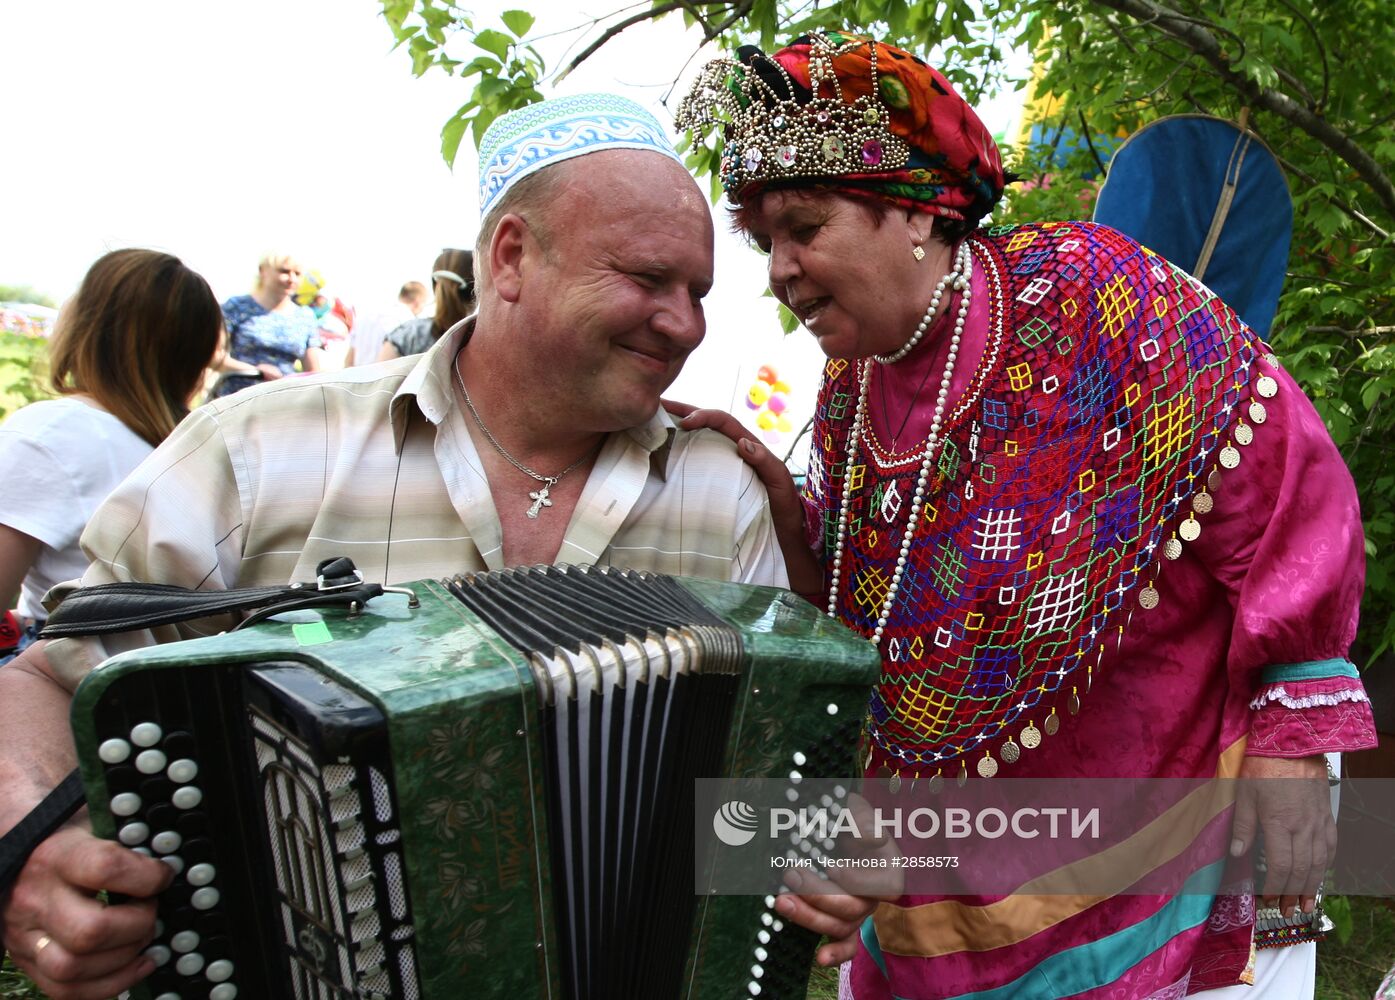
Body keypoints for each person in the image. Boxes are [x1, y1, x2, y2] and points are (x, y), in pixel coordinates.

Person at [0, 93, 791, 1000]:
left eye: (697, 293)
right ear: (511, 258)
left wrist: (809, 862)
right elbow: (42, 678)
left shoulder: (719, 489)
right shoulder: (260, 449)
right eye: (648, 279)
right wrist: (30, 845)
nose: (685, 324)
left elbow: (763, 789)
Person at [675, 32, 1377, 999]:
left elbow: (1287, 483)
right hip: (953, 868)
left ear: (913, 211)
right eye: (765, 242)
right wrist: (789, 517)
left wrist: (1295, 723)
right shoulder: (847, 395)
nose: (779, 271)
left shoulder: (1092, 295)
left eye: (803, 226)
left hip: (1152, 817)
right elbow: (883, 622)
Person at [0, 249, 222, 666]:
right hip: (168, 685)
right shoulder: (200, 447)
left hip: (65, 679)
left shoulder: (48, 434)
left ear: (85, 324)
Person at [210, 250, 323, 396]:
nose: (291, 279)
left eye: (297, 274)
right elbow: (213, 357)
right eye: (284, 271)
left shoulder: (305, 316)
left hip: (284, 401)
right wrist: (255, 370)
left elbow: (313, 373)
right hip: (238, 398)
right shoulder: (236, 306)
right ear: (263, 271)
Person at [376, 248, 476, 360]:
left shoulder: (408, 335)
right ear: (477, 288)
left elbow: (381, 374)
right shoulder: (483, 342)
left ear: (436, 286)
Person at [344, 279, 429, 366]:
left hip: (357, 377)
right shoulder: (409, 324)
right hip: (386, 377)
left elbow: (349, 359)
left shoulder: (367, 315)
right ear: (418, 302)